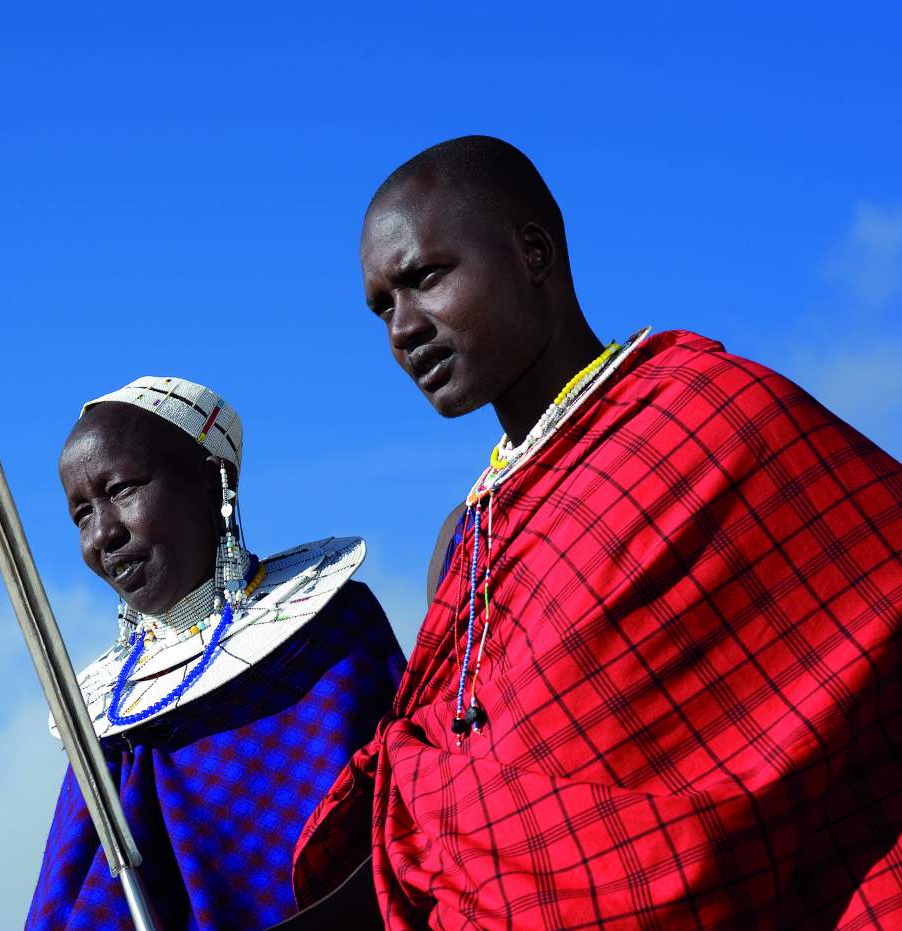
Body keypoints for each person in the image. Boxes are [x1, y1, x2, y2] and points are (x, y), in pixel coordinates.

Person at [292, 135, 902, 929]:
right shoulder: (467, 537)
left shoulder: (715, 420)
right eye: (382, 308)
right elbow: (451, 820)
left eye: (425, 279)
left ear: (533, 252)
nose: (403, 328)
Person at [25, 376, 406, 930]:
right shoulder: (108, 731)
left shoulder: (332, 635)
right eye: (81, 514)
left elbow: (412, 822)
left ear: (212, 480)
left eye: (122, 489)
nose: (102, 534)